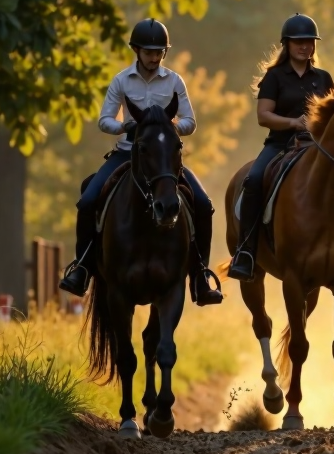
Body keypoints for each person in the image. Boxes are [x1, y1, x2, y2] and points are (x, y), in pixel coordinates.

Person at [58, 18, 224, 306]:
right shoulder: (121, 80)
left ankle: (200, 276)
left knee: (203, 203)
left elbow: (190, 121)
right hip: (127, 153)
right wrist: (125, 127)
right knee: (87, 201)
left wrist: (167, 127)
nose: (153, 57)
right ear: (136, 50)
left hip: (162, 158)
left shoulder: (174, 81)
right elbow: (104, 120)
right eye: (148, 51)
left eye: (158, 51)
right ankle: (82, 269)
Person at [227, 13, 334, 290]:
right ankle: (246, 251)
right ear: (287, 45)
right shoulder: (274, 77)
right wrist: (294, 122)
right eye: (298, 42)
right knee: (254, 180)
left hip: (317, 146)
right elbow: (264, 116)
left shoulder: (323, 77)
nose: (304, 46)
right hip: (280, 144)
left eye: (309, 42)